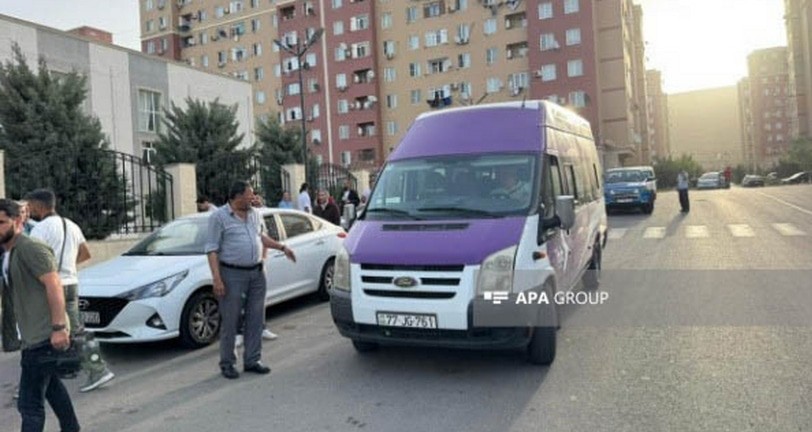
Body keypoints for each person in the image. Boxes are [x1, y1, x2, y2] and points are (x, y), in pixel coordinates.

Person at [0, 199, 81, 432]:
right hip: (32, 334)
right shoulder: (10, 252)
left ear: (18, 220)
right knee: (52, 388)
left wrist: (59, 328)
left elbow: (54, 284)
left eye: (1, 222)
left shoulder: (30, 247)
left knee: (29, 405)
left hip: (44, 335)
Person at [26, 188, 116, 393]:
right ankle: (97, 369)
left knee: (41, 331)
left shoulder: (40, 229)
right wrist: (68, 266)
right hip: (71, 283)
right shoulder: (71, 225)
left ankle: (37, 380)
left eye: (30, 205)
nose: (29, 210)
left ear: (39, 205)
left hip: (51, 286)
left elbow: (34, 259)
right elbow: (85, 253)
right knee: (76, 331)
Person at [205, 180, 296, 379]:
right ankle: (228, 363)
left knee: (256, 318)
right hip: (232, 274)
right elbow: (212, 249)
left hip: (256, 273)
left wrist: (282, 247)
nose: (253, 198)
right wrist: (217, 279)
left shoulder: (255, 214)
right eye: (249, 195)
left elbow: (261, 237)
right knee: (231, 319)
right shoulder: (218, 217)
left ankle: (253, 360)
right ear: (237, 197)